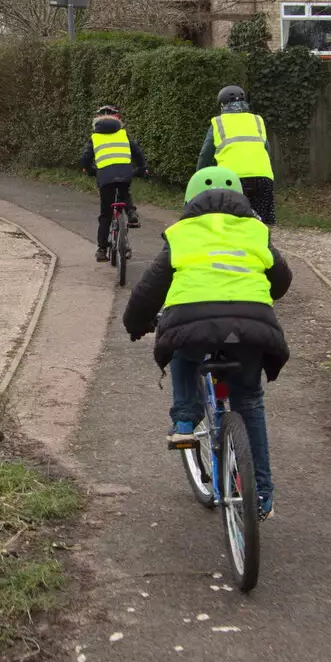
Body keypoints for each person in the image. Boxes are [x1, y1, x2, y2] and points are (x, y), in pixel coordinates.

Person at [122, 166, 291, 517]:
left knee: (185, 351)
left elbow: (149, 290)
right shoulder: (256, 231)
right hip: (251, 327)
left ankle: (185, 420)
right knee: (249, 400)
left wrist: (136, 324)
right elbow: (282, 279)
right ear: (241, 199)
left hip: (193, 322)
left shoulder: (182, 234)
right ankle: (261, 493)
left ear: (189, 201)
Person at [196, 85, 276, 225]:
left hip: (232, 180)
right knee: (260, 222)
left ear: (222, 105)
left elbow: (205, 155)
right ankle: (263, 244)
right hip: (263, 178)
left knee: (232, 221)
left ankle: (234, 245)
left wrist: (199, 178)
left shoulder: (218, 122)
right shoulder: (257, 120)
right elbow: (267, 150)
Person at [81, 104, 148, 263]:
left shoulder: (95, 138)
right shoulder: (123, 135)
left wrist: (88, 169)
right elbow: (137, 152)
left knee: (105, 214)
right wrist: (142, 168)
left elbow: (85, 158)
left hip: (105, 176)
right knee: (124, 191)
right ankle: (131, 213)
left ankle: (102, 250)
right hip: (125, 173)